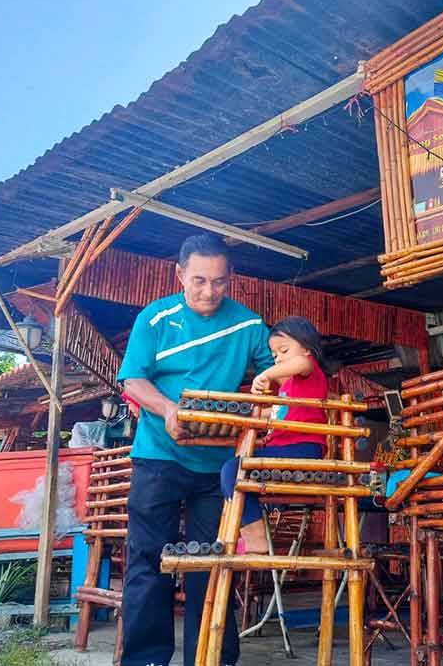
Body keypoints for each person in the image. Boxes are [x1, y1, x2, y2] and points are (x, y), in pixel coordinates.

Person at [117, 233, 272, 666]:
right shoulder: (155, 317)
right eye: (199, 280)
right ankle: (145, 660)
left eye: (219, 281)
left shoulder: (248, 325)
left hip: (217, 468)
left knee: (214, 565)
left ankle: (211, 659)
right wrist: (168, 409)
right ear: (180, 275)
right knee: (149, 561)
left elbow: (277, 372)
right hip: (158, 456)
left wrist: (269, 396)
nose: (209, 291)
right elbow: (133, 380)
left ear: (231, 277)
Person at [220, 316, 330, 554]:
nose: (278, 358)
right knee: (233, 470)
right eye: (274, 355)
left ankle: (256, 538)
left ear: (307, 348)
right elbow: (278, 413)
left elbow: (301, 362)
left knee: (232, 470)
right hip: (287, 448)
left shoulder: (310, 370)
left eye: (284, 350)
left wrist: (266, 374)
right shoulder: (289, 388)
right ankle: (249, 533)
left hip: (302, 448)